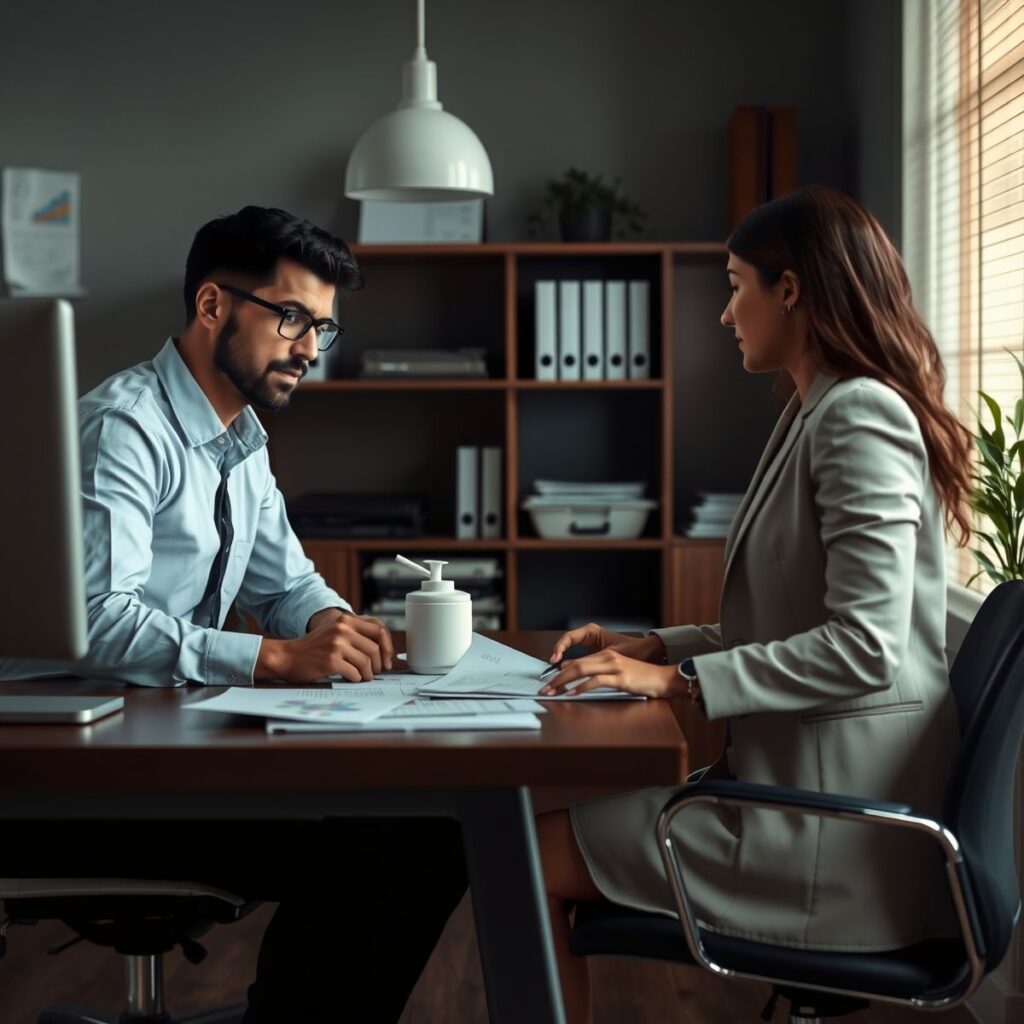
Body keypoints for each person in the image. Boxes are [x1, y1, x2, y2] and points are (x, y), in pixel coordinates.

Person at [0, 206, 466, 1023]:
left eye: (323, 326)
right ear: (213, 306)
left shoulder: (240, 437)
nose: (311, 348)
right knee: (376, 851)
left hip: (158, 750)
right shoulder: (126, 427)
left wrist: (329, 623)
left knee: (434, 829)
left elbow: (284, 584)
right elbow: (99, 620)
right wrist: (277, 661)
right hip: (68, 773)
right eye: (292, 318)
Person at [532, 185, 973, 1024]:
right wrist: (654, 646)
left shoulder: (859, 415)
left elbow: (865, 648)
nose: (726, 315)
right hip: (791, 793)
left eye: (737, 285)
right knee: (537, 843)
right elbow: (790, 619)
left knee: (516, 856)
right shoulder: (813, 408)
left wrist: (682, 683)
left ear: (791, 290)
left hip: (831, 833)